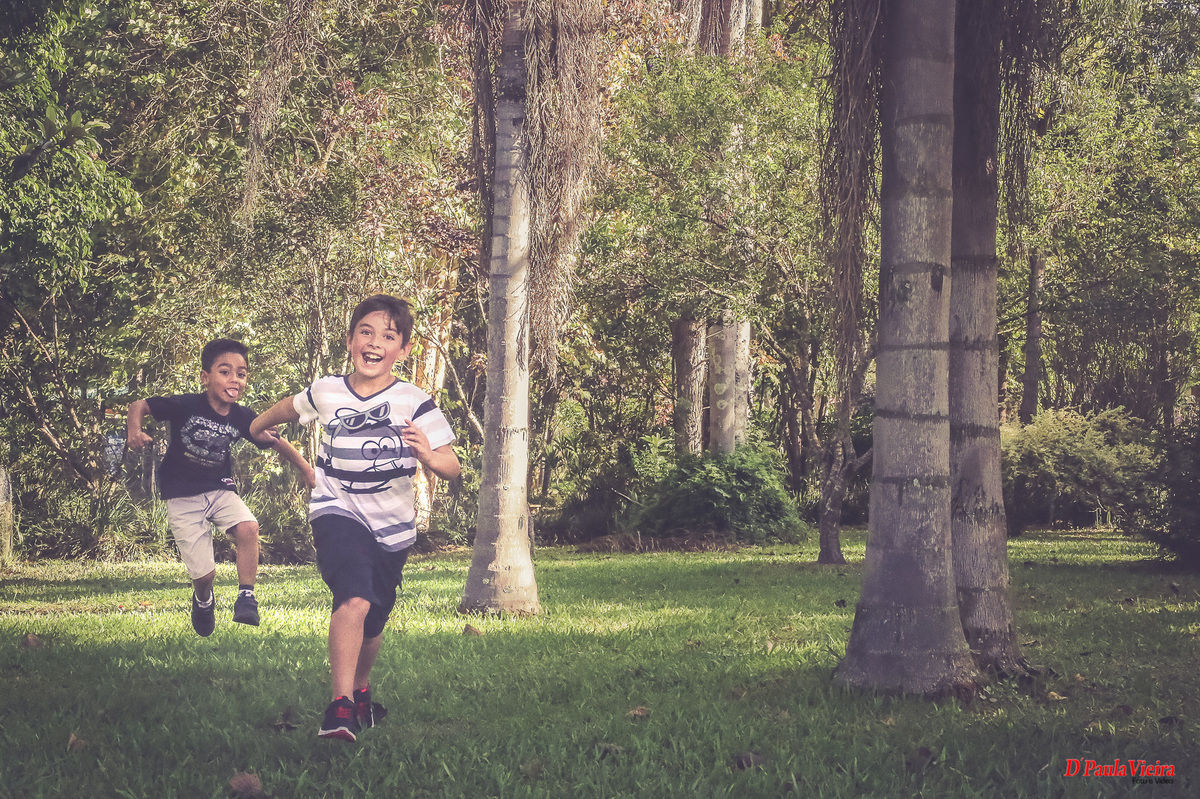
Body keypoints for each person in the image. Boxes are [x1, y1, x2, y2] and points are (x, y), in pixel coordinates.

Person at [251, 294, 460, 742]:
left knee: (375, 617)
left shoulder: (414, 399)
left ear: (402, 351)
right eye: (366, 332)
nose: (374, 342)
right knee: (354, 598)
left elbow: (453, 466)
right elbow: (285, 409)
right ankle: (340, 706)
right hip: (336, 507)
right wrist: (256, 429)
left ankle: (361, 690)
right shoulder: (327, 390)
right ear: (350, 340)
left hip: (394, 524)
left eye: (388, 336)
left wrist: (428, 455)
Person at [127, 338, 316, 636]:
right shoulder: (186, 404)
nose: (234, 380)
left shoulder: (242, 416)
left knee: (248, 527)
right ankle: (203, 600)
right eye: (225, 372)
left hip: (219, 489)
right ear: (206, 377)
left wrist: (306, 468)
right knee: (205, 575)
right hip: (181, 495)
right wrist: (135, 431)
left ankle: (246, 598)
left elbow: (275, 439)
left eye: (241, 374)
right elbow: (139, 405)